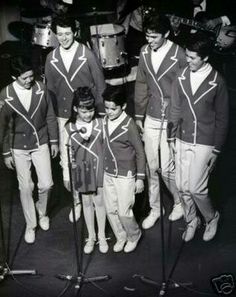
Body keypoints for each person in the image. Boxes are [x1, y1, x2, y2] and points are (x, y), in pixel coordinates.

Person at [167, 31, 229, 242]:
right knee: (182, 186)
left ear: (206, 58)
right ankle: (192, 219)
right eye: (187, 55)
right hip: (182, 138)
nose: (188, 60)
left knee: (196, 188)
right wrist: (170, 138)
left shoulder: (217, 82)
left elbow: (223, 119)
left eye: (193, 57)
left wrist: (217, 149)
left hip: (205, 141)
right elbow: (174, 109)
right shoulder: (181, 76)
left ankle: (211, 217)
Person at [44, 16, 106, 222]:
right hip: (64, 117)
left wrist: (99, 113)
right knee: (68, 161)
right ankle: (77, 202)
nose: (64, 38)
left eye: (68, 33)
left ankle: (95, 199)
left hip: (86, 116)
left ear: (75, 32)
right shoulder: (51, 58)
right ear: (55, 34)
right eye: (60, 34)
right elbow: (50, 93)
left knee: (88, 158)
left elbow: (100, 85)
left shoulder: (86, 54)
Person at [134, 13, 186, 230]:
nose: (150, 40)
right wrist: (139, 115)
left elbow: (186, 89)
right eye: (147, 36)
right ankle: (156, 208)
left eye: (154, 37)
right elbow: (141, 83)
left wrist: (175, 108)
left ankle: (178, 202)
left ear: (166, 33)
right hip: (151, 116)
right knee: (151, 167)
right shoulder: (144, 52)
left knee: (166, 169)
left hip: (171, 117)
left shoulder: (179, 55)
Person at [0, 56, 58, 244]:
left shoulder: (41, 88)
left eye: (31, 76)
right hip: (18, 145)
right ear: (13, 76)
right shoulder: (5, 95)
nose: (29, 81)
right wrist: (6, 152)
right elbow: (4, 126)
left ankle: (42, 213)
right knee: (25, 187)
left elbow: (50, 115)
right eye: (24, 78)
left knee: (47, 184)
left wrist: (54, 141)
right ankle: (31, 224)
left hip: (40, 141)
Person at [64, 87, 108, 254]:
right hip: (82, 171)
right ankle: (91, 236)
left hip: (99, 168)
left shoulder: (100, 122)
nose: (88, 114)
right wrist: (67, 176)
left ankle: (102, 236)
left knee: (100, 202)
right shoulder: (69, 128)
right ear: (75, 109)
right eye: (84, 110)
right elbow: (66, 153)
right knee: (87, 204)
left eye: (91, 110)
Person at [102, 85, 146, 253]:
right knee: (110, 209)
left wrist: (140, 177)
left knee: (123, 211)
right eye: (106, 108)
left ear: (124, 107)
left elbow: (140, 152)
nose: (109, 112)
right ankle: (121, 236)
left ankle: (134, 235)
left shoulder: (129, 125)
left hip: (125, 174)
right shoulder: (105, 121)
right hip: (108, 173)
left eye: (113, 108)